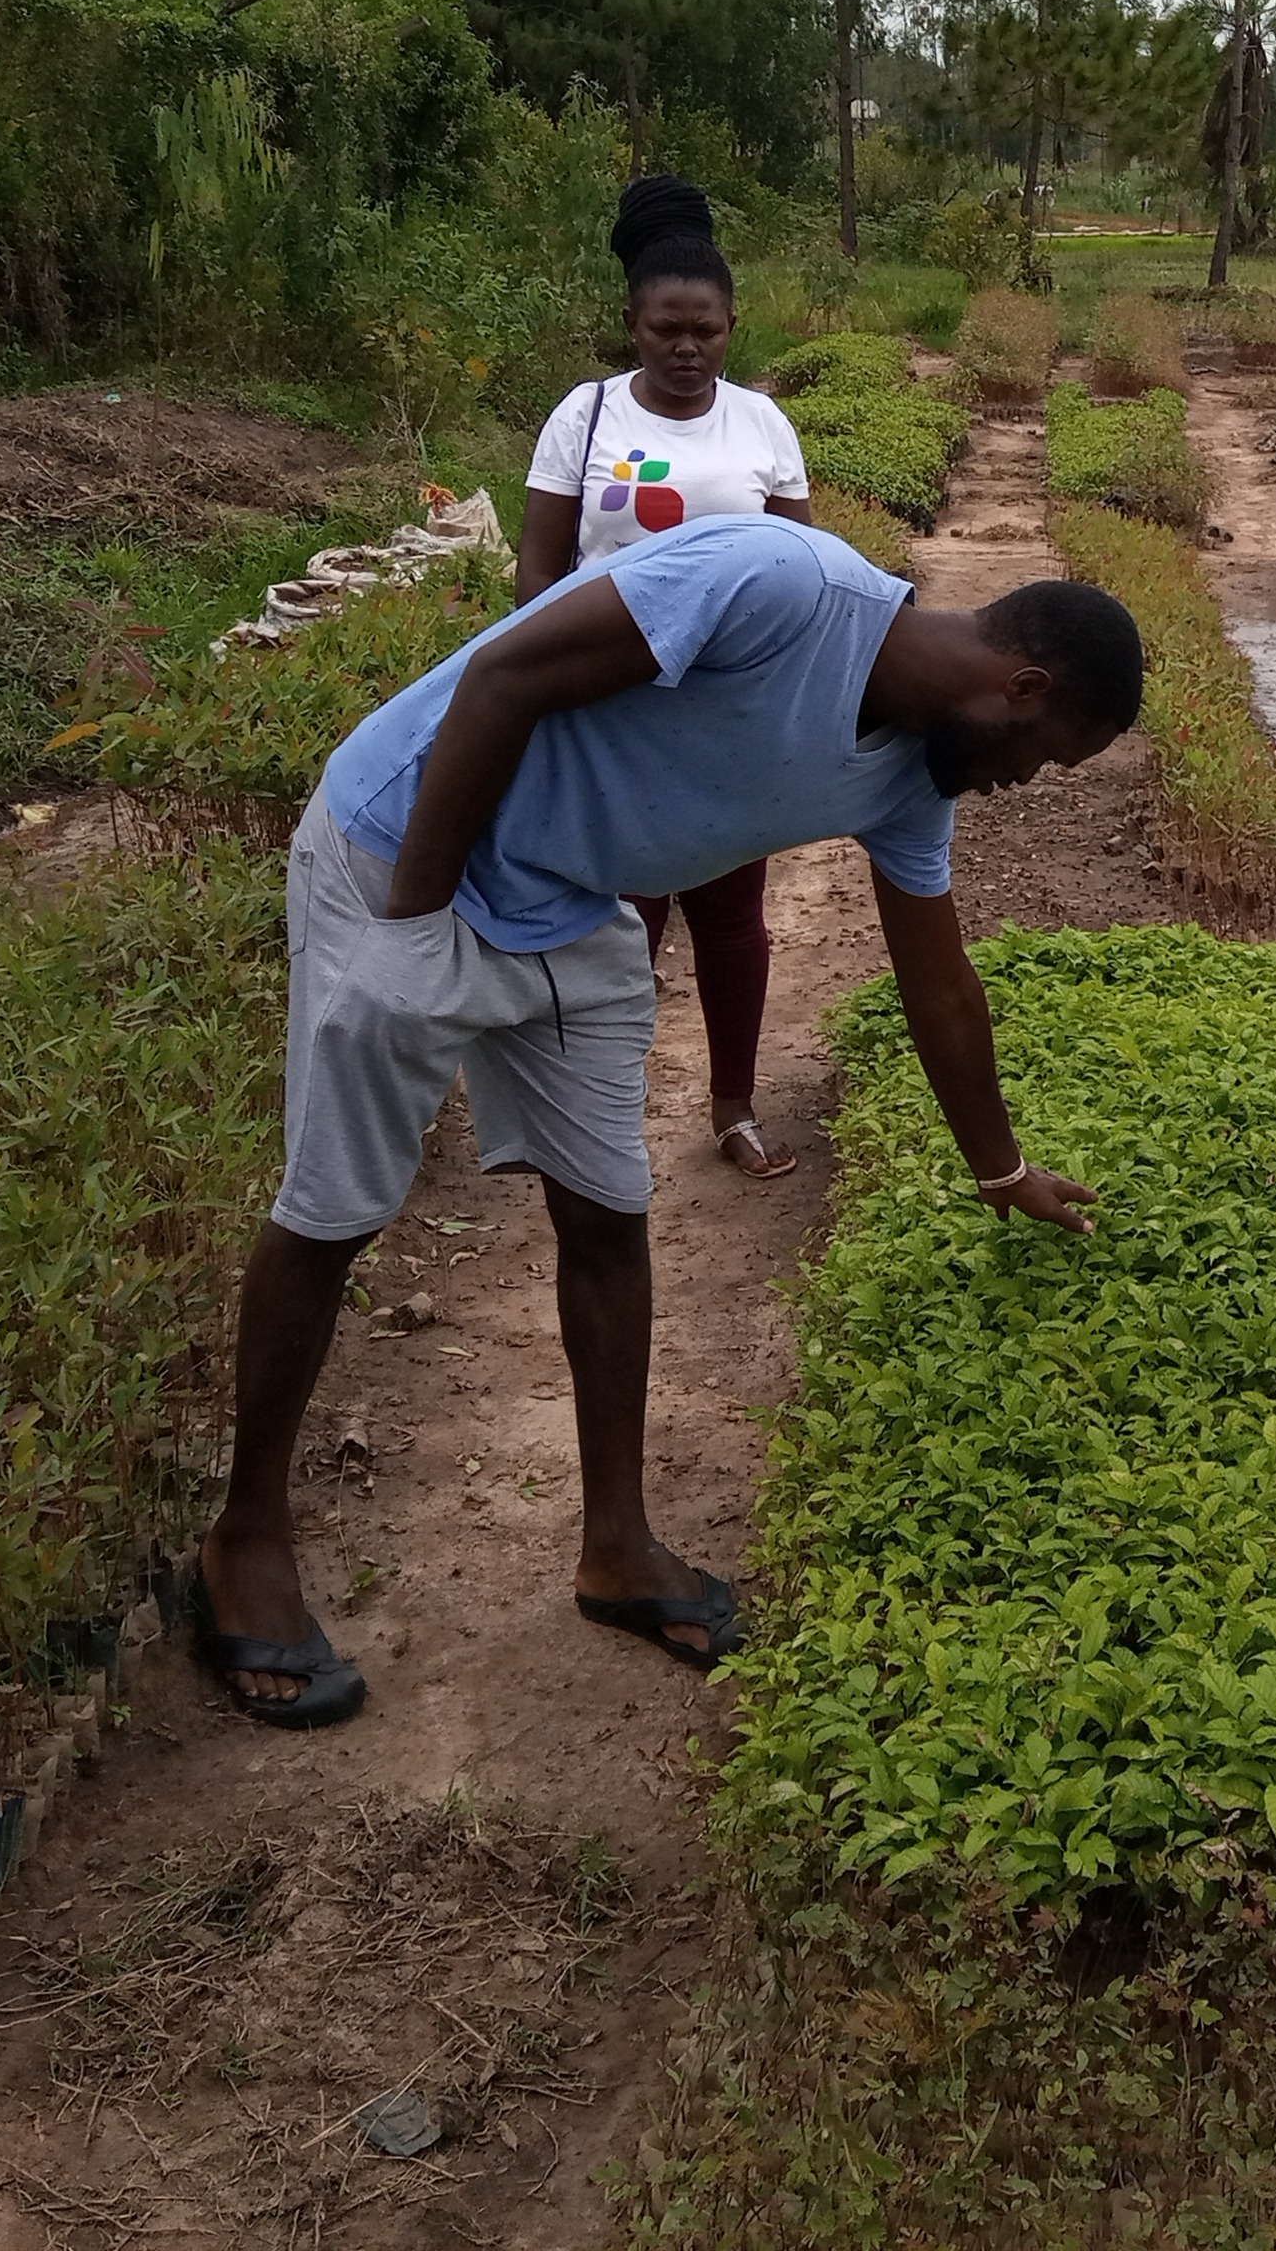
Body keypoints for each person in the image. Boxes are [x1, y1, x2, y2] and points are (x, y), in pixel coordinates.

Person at [190, 512, 1146, 1726]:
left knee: (608, 1212)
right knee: (335, 1208)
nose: (1021, 787)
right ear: (1021, 686)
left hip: (571, 901)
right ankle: (246, 1540)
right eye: (1045, 757)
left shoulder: (910, 782)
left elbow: (938, 983)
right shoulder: (778, 584)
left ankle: (616, 1547)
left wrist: (1002, 1171)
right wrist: (411, 935)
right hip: (401, 853)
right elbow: (506, 673)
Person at [518, 176, 817, 1181]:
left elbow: (799, 571)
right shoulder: (585, 414)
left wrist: (783, 699)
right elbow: (539, 569)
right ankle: (599, 1116)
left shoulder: (761, 428)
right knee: (621, 917)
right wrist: (547, 686)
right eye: (665, 329)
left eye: (706, 331)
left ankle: (732, 1108)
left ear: (733, 328)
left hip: (725, 712)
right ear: (632, 326)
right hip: (613, 709)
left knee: (732, 917)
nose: (686, 348)